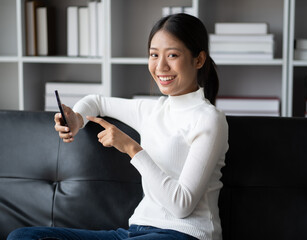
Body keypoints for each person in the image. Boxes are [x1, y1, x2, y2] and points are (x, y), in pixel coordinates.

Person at [7, 13, 228, 240]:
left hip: (185, 234)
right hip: (135, 231)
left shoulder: (209, 119)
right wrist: (77, 119)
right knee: (23, 236)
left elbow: (182, 205)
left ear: (198, 60)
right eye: (153, 55)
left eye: (172, 55)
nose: (160, 66)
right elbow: (97, 101)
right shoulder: (152, 111)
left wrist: (131, 149)